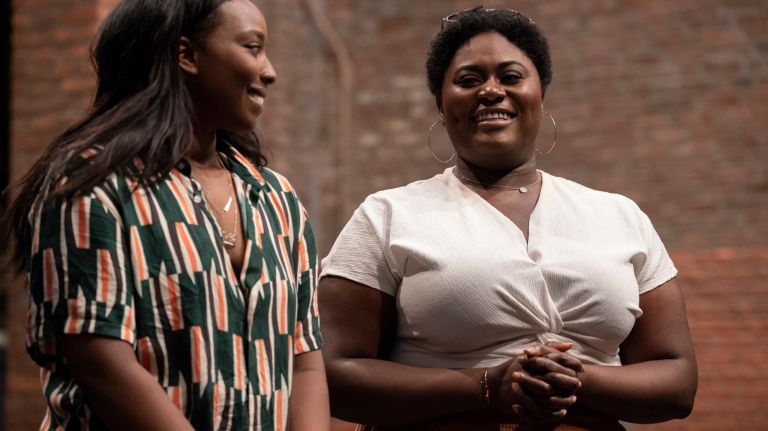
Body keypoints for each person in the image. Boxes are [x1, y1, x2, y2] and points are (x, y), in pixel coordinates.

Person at [318, 6, 697, 430]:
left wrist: (577, 379)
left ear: (540, 94)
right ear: (441, 106)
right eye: (468, 80)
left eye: (511, 76)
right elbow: (331, 374)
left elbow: (677, 381)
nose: (491, 91)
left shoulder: (618, 215)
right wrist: (485, 387)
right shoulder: (388, 216)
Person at [2, 1, 330, 430]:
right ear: (186, 55)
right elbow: (100, 362)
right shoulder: (92, 186)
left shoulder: (276, 198)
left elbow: (305, 361)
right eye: (253, 48)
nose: (269, 71)